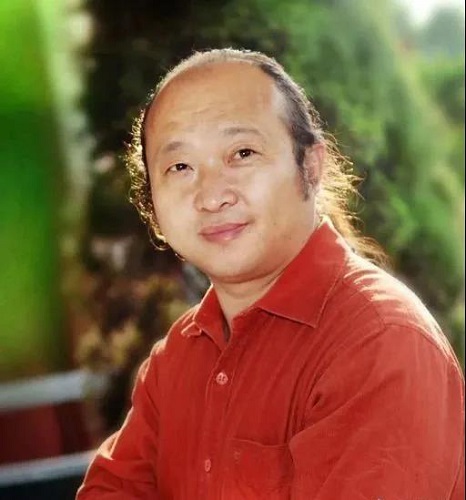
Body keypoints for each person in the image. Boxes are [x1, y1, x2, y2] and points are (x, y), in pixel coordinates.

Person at [77, 48, 465, 499]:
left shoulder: (378, 340)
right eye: (180, 167)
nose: (212, 196)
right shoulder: (178, 357)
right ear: (152, 206)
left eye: (242, 153)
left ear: (311, 167)